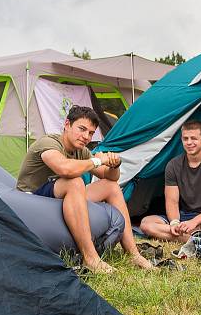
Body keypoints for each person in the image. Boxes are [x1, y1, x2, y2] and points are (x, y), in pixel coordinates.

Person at [16, 105, 154, 273]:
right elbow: (64, 169)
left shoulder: (81, 151)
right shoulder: (49, 142)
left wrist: (114, 164)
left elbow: (110, 177)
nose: (85, 137)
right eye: (81, 129)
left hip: (54, 198)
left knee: (110, 187)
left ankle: (133, 254)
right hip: (29, 200)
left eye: (90, 133)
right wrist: (98, 160)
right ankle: (91, 258)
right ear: (67, 124)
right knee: (74, 181)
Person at [139, 119, 201, 242]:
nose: (189, 142)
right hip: (183, 217)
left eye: (193, 138)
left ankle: (182, 238)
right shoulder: (173, 165)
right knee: (146, 224)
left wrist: (193, 222)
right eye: (185, 139)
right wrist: (174, 223)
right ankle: (196, 239)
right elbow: (172, 201)